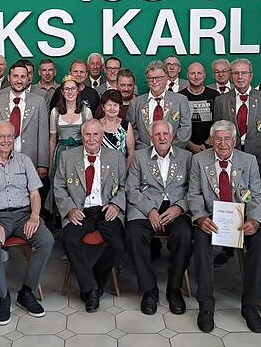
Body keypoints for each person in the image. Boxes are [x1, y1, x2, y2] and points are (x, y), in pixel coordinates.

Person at [0, 121, 54, 325]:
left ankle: (26, 292)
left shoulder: (24, 161)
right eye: (2, 136)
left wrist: (34, 216)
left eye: (10, 136)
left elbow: (35, 194)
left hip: (24, 215)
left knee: (46, 240)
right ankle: (4, 297)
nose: (6, 140)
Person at [188, 120, 261, 333]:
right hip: (211, 219)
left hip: (241, 220)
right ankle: (206, 305)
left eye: (227, 139)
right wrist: (200, 217)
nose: (223, 144)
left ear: (234, 140)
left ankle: (250, 306)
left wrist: (254, 220)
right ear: (212, 141)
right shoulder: (199, 160)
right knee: (200, 240)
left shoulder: (249, 161)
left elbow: (256, 195)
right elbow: (193, 194)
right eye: (218, 139)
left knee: (260, 242)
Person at [52, 119, 127, 313]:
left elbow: (126, 187)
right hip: (79, 209)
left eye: (96, 134)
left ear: (102, 136)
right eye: (87, 134)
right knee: (68, 239)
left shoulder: (116, 157)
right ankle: (92, 289)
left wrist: (116, 205)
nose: (91, 139)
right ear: (82, 136)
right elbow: (58, 186)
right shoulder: (68, 157)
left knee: (118, 244)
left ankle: (92, 282)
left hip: (105, 209)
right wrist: (69, 209)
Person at [213, 59, 261, 267]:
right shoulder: (222, 100)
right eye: (236, 73)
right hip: (229, 161)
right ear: (231, 75)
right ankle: (229, 248)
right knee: (230, 199)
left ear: (251, 75)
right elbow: (219, 133)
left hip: (259, 160)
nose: (239, 77)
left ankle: (254, 243)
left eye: (244, 73)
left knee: (255, 201)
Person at [126, 121, 193, 315]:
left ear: (172, 137)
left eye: (166, 134)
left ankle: (174, 288)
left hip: (176, 206)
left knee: (184, 234)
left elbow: (194, 190)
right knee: (133, 234)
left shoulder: (187, 157)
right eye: (157, 135)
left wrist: (179, 208)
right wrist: (150, 210)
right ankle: (149, 289)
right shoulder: (139, 157)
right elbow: (132, 189)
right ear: (151, 138)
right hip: (146, 206)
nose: (162, 137)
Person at [0, 62, 49, 178]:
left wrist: (43, 164)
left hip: (30, 161)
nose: (19, 80)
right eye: (15, 76)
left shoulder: (38, 101)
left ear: (28, 79)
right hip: (1, 160)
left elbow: (43, 135)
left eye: (23, 77)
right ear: (9, 78)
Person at [46, 77, 92, 216]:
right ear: (62, 92)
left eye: (73, 88)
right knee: (61, 184)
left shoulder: (86, 112)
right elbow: (53, 139)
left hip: (79, 153)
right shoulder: (55, 112)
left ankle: (80, 212)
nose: (70, 92)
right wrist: (50, 163)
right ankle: (60, 215)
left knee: (79, 183)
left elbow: (90, 138)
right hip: (61, 153)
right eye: (66, 89)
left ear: (78, 91)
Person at [127, 61, 192, 149]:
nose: (154, 81)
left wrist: (169, 150)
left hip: (173, 154)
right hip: (144, 155)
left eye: (158, 78)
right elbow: (131, 130)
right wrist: (145, 151)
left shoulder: (180, 100)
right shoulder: (136, 103)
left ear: (166, 78)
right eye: (151, 78)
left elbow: (185, 128)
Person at [180, 62, 219, 154]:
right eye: (193, 73)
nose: (196, 77)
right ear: (187, 75)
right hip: (185, 148)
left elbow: (218, 122)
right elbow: (177, 125)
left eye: (199, 73)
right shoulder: (180, 97)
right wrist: (190, 145)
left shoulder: (215, 95)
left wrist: (207, 144)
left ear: (204, 75)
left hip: (210, 147)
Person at [99, 89, 135, 168]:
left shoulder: (126, 125)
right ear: (103, 107)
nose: (112, 108)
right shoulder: (97, 125)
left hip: (121, 170)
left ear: (120, 107)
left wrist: (125, 172)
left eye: (115, 105)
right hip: (101, 169)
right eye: (109, 105)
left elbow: (131, 152)